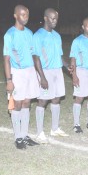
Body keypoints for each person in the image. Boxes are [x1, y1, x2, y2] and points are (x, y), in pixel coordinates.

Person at [3, 5, 40, 149]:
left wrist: (36, 74)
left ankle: (24, 135)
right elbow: (6, 59)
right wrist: (9, 80)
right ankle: (18, 137)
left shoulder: (30, 33)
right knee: (17, 104)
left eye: (27, 15)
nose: (25, 17)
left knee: (27, 103)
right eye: (22, 14)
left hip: (30, 71)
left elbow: (33, 55)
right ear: (15, 15)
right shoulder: (9, 34)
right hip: (17, 72)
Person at [33, 8, 70, 143]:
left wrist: (67, 66)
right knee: (42, 100)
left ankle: (54, 129)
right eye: (52, 18)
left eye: (56, 19)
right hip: (46, 71)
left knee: (56, 99)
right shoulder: (38, 35)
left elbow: (59, 56)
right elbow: (36, 58)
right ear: (46, 18)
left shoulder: (57, 35)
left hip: (57, 71)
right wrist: (42, 77)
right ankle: (39, 132)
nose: (55, 21)